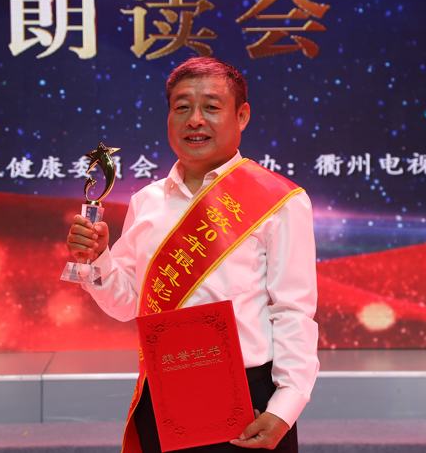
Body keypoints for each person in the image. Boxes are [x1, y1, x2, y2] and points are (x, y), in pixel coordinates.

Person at [66, 57, 319, 452]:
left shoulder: (279, 201)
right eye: (182, 107)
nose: (195, 120)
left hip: (247, 399)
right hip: (163, 394)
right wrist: (98, 259)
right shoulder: (147, 202)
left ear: (242, 115)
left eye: (211, 107)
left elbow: (294, 312)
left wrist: (285, 407)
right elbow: (127, 303)